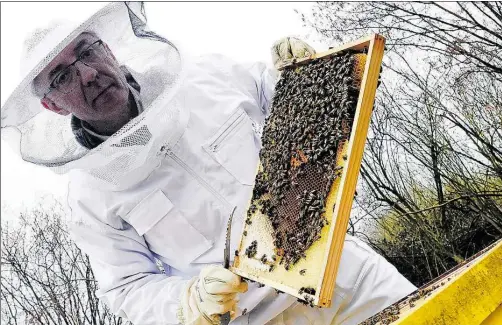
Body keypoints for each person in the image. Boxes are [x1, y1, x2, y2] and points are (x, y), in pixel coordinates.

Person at [0, 3, 416, 325]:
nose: (87, 74)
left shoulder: (206, 76)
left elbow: (295, 103)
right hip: (252, 318)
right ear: (52, 106)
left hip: (345, 270)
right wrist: (187, 302)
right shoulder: (89, 199)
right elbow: (127, 288)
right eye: (61, 77)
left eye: (87, 51)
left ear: (107, 48)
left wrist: (304, 71)